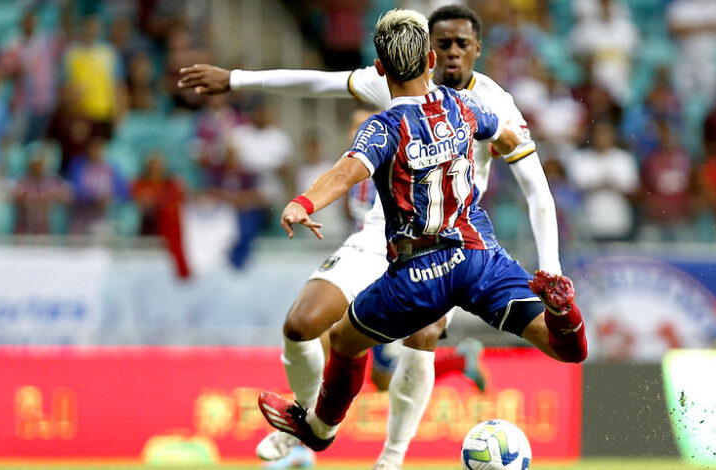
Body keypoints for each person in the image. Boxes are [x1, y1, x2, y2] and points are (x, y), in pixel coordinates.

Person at [178, 5, 574, 469]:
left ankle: (391, 457)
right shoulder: (393, 84)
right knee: (301, 326)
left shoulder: (491, 102)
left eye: (460, 44)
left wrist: (550, 270)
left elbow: (537, 191)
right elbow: (318, 81)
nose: (450, 53)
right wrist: (237, 79)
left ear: (476, 49)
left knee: (421, 337)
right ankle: (307, 422)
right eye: (442, 43)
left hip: (451, 244)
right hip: (378, 236)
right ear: (429, 53)